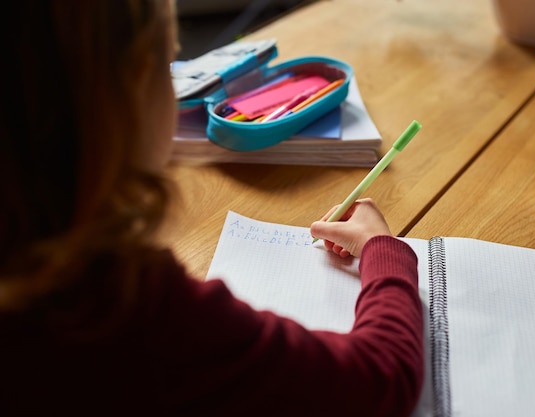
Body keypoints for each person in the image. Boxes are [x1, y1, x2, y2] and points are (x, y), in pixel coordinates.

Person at [0, 1, 424, 416]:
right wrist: (382, 249)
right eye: (169, 65)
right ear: (131, 92)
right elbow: (378, 380)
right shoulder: (126, 309)